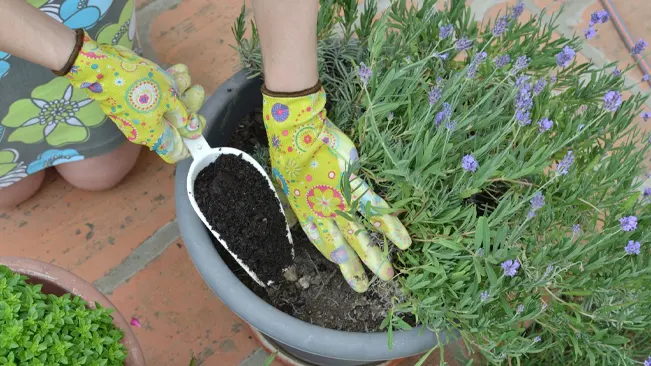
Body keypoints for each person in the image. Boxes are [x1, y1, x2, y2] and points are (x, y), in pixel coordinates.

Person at [0, 0, 411, 293]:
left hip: (80, 14)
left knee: (103, 171)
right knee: (13, 188)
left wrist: (296, 110)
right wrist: (77, 58)